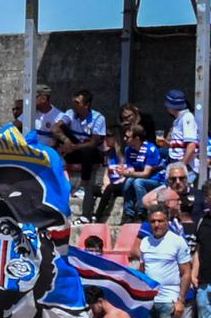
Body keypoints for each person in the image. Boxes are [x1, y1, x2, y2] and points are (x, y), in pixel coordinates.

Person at [134, 207, 192, 318]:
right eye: (153, 221)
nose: (156, 225)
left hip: (169, 300)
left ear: (167, 222)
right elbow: (142, 272)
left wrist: (181, 301)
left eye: (160, 221)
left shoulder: (177, 241)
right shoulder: (145, 242)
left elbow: (186, 273)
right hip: (148, 301)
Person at [53, 89, 106, 220]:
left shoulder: (98, 118)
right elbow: (55, 128)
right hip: (75, 150)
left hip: (91, 153)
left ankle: (84, 183)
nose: (73, 105)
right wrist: (67, 142)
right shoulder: (70, 114)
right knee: (58, 137)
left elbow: (94, 142)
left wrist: (73, 147)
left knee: (89, 149)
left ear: (86, 105)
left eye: (77, 102)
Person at [118, 126, 165, 221]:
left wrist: (127, 173)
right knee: (128, 181)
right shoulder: (129, 150)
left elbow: (146, 174)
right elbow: (131, 171)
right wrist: (126, 173)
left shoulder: (150, 149)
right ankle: (128, 213)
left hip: (156, 180)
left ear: (137, 139)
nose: (124, 139)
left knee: (138, 182)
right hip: (141, 177)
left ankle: (142, 211)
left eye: (127, 137)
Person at [167, 89, 200, 180]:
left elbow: (191, 146)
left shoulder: (187, 117)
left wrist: (181, 166)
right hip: (175, 162)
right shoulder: (178, 120)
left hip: (186, 167)